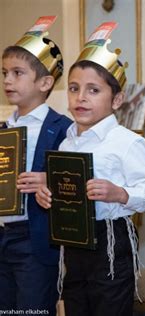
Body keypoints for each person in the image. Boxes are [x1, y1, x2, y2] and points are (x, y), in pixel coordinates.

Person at [35, 22, 145, 316]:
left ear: (117, 100)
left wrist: (119, 193)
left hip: (111, 243)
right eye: (74, 88)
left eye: (93, 90)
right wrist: (47, 196)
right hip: (73, 244)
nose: (81, 97)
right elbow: (63, 192)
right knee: (76, 305)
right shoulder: (67, 143)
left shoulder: (126, 142)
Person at [0, 16, 72, 315]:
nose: (7, 80)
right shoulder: (3, 129)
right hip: (3, 237)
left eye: (17, 73)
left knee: (32, 309)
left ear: (45, 82)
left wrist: (48, 180)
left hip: (37, 240)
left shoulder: (64, 128)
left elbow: (73, 183)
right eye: (4, 72)